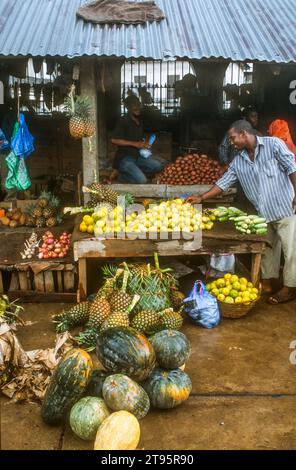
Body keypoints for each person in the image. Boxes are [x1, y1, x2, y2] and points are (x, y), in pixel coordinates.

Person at [186, 120, 296, 305]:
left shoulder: (273, 145)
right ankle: (267, 283)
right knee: (267, 249)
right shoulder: (239, 161)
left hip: (286, 208)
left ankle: (289, 288)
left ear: (244, 133)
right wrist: (201, 198)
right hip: (263, 214)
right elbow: (223, 182)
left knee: (291, 249)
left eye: (232, 138)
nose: (231, 142)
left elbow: (292, 168)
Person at [111, 95, 165, 184]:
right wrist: (135, 144)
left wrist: (145, 144)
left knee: (158, 166)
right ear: (127, 107)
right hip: (125, 159)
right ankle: (121, 175)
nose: (138, 107)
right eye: (134, 105)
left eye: (138, 104)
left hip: (138, 157)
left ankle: (134, 172)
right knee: (142, 181)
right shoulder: (123, 120)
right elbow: (114, 140)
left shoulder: (139, 121)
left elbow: (139, 139)